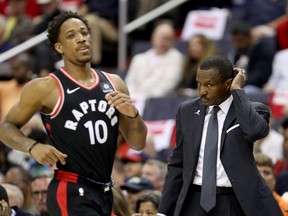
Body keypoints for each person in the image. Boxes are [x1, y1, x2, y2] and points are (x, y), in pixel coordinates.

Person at [0, 11, 147, 216]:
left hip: (105, 190)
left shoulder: (115, 83)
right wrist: (32, 147)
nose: (81, 38)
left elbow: (137, 143)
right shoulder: (46, 87)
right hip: (70, 190)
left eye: (84, 32)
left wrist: (134, 116)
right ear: (59, 47)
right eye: (71, 35)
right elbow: (5, 127)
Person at [157, 55, 282, 216]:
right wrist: (163, 211)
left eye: (209, 85)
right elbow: (178, 163)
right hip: (193, 201)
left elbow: (255, 131)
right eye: (199, 84)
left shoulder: (251, 109)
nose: (202, 91)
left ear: (227, 84)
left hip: (234, 202)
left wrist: (237, 90)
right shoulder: (186, 110)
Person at [125, 21, 183, 99]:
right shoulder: (138, 59)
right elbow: (129, 83)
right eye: (162, 38)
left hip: (159, 101)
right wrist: (134, 97)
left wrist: (145, 97)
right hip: (134, 99)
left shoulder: (177, 58)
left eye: (168, 39)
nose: (164, 42)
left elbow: (169, 84)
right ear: (153, 38)